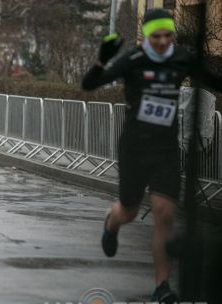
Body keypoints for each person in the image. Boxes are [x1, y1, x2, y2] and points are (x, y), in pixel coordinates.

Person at [82, 9, 222, 303]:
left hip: (165, 150)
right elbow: (90, 84)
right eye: (155, 36)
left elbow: (213, 80)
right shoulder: (133, 60)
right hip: (134, 148)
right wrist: (102, 58)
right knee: (130, 211)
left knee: (165, 213)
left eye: (167, 35)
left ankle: (161, 287)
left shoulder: (181, 58)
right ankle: (112, 221)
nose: (161, 41)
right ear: (146, 35)